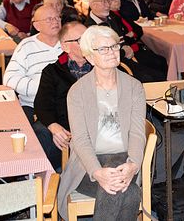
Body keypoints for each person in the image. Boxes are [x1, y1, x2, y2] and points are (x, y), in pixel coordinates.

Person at [57, 25, 146, 221]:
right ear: (89, 57)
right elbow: (80, 139)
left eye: (114, 46)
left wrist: (133, 165)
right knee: (127, 192)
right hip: (88, 165)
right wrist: (97, 172)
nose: (112, 53)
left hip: (127, 160)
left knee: (119, 187)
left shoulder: (134, 87)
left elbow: (138, 133)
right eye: (103, 49)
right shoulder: (77, 91)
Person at [34, 22, 90, 170]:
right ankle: (49, 178)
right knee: (40, 132)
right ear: (65, 46)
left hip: (95, 127)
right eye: (80, 40)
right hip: (64, 128)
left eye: (89, 38)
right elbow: (42, 104)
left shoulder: (102, 68)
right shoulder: (52, 71)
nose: (87, 43)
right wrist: (53, 126)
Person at [85, 0, 167, 82]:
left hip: (124, 58)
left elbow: (122, 37)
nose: (108, 5)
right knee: (151, 77)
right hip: (113, 67)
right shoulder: (90, 27)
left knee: (159, 72)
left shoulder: (110, 17)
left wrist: (125, 46)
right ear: (93, 5)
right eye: (104, 2)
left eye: (108, 1)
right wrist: (124, 50)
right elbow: (102, 55)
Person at [3, 4, 63, 124]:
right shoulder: (26, 46)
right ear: (37, 25)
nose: (55, 22)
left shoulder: (69, 43)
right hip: (33, 105)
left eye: (57, 18)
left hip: (65, 104)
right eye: (49, 19)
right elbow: (10, 79)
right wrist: (44, 88)